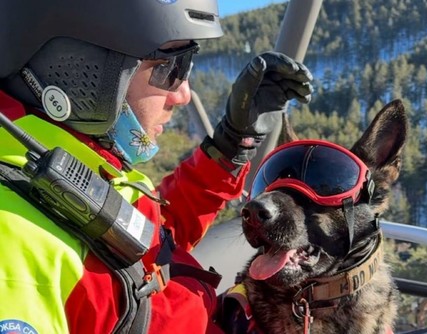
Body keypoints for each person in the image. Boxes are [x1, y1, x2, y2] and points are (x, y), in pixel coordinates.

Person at [0, 0, 313, 333]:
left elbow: (148, 245)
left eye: (187, 64)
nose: (183, 95)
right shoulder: (15, 244)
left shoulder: (68, 168)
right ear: (78, 70)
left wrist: (231, 144)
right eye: (169, 69)